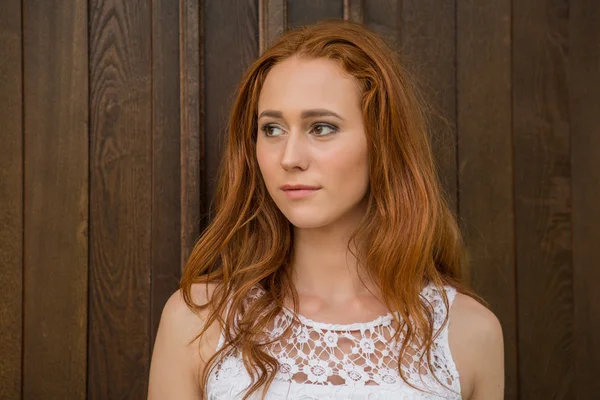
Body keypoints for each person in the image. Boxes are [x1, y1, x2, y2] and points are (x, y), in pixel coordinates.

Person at [147, 19, 504, 400]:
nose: (289, 157)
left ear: (384, 141)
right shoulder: (198, 321)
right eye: (271, 129)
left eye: (321, 128)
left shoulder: (467, 334)